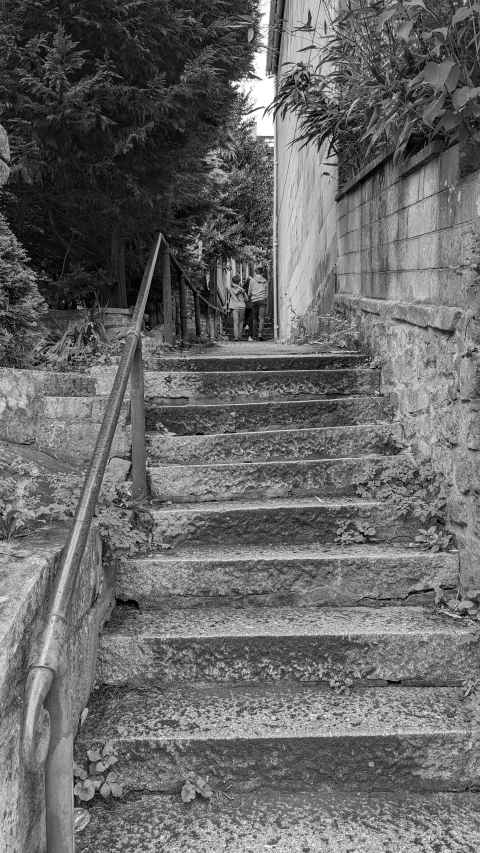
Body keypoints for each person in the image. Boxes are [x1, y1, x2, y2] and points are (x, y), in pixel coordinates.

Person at [247, 266, 268, 340]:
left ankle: (254, 335)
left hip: (254, 301)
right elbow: (266, 293)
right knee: (261, 318)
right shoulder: (265, 281)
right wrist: (264, 298)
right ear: (262, 272)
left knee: (254, 319)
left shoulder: (252, 280)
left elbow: (249, 292)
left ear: (255, 272)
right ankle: (260, 335)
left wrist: (250, 297)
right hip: (262, 300)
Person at [227, 274, 247, 341]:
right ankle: (239, 336)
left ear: (232, 281)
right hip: (242, 306)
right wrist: (243, 292)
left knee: (235, 322)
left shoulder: (230, 289)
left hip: (235, 307)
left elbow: (233, 296)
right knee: (241, 322)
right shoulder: (241, 289)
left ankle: (236, 337)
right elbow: (247, 299)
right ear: (239, 282)